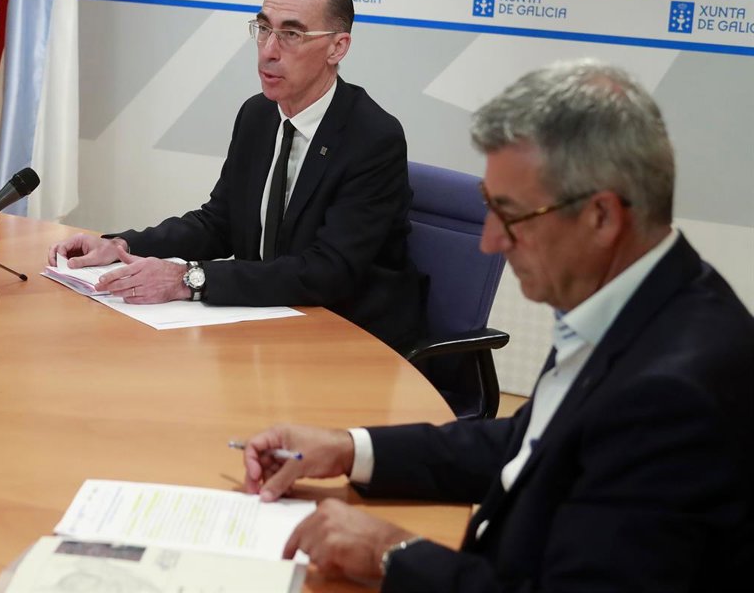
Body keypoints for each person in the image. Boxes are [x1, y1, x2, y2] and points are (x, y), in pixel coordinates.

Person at [240, 59, 754, 591]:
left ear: (602, 217)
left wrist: (389, 552)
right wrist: (350, 449)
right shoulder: (642, 301)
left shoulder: (674, 393)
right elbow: (529, 444)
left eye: (511, 215)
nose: (490, 241)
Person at [48, 0, 424, 352]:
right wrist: (122, 245)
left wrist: (188, 279)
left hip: (349, 342)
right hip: (270, 326)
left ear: (337, 48)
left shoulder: (372, 137)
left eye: (291, 34)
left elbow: (328, 271)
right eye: (264, 28)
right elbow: (219, 223)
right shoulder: (258, 115)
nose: (268, 50)